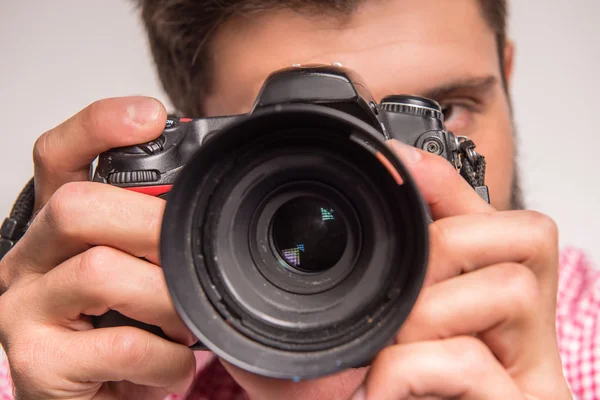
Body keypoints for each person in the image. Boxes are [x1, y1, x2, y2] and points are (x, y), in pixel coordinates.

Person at [0, 0, 595, 398]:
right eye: (296, 136)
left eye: (439, 117)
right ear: (200, 162)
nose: (377, 185)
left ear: (507, 80)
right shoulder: (63, 366)